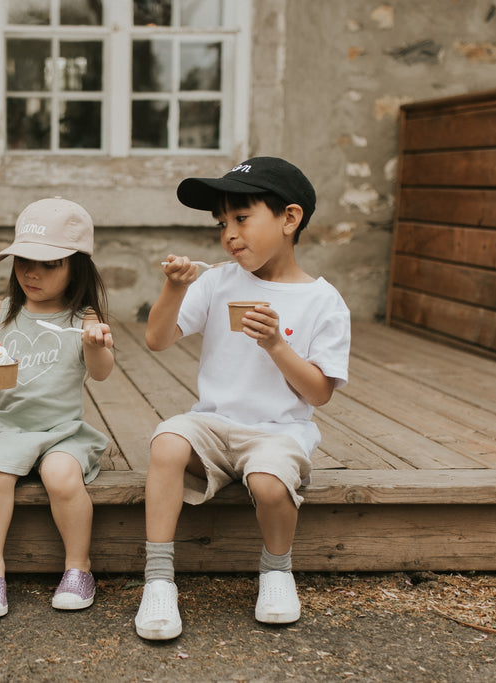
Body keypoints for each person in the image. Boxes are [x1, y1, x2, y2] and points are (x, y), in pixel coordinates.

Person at [135, 157, 351, 640]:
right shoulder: (216, 280)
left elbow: (320, 392)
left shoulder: (323, 301)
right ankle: (158, 580)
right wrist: (174, 288)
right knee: (167, 442)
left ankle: (276, 572)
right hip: (212, 424)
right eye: (221, 223)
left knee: (271, 484)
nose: (229, 234)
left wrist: (277, 345)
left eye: (242, 218)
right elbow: (157, 338)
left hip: (279, 430)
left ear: (289, 219)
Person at [0, 197, 114, 618]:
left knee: (62, 476)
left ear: (77, 267)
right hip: (7, 426)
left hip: (61, 429)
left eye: (50, 264)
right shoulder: (0, 312)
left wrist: (96, 346)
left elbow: (101, 373)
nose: (33, 273)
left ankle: (77, 567)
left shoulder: (83, 316)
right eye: (24, 261)